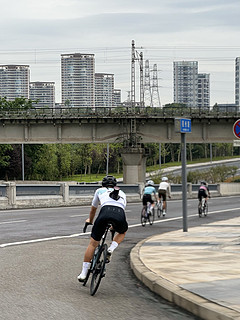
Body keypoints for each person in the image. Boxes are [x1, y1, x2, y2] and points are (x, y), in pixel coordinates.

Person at [77, 175, 128, 282]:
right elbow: (120, 208)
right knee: (122, 231)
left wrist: (90, 221)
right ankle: (111, 249)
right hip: (119, 214)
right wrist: (114, 226)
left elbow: (93, 210)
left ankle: (83, 273)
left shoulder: (99, 191)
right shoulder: (122, 193)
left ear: (102, 184)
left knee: (93, 243)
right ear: (115, 185)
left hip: (105, 212)